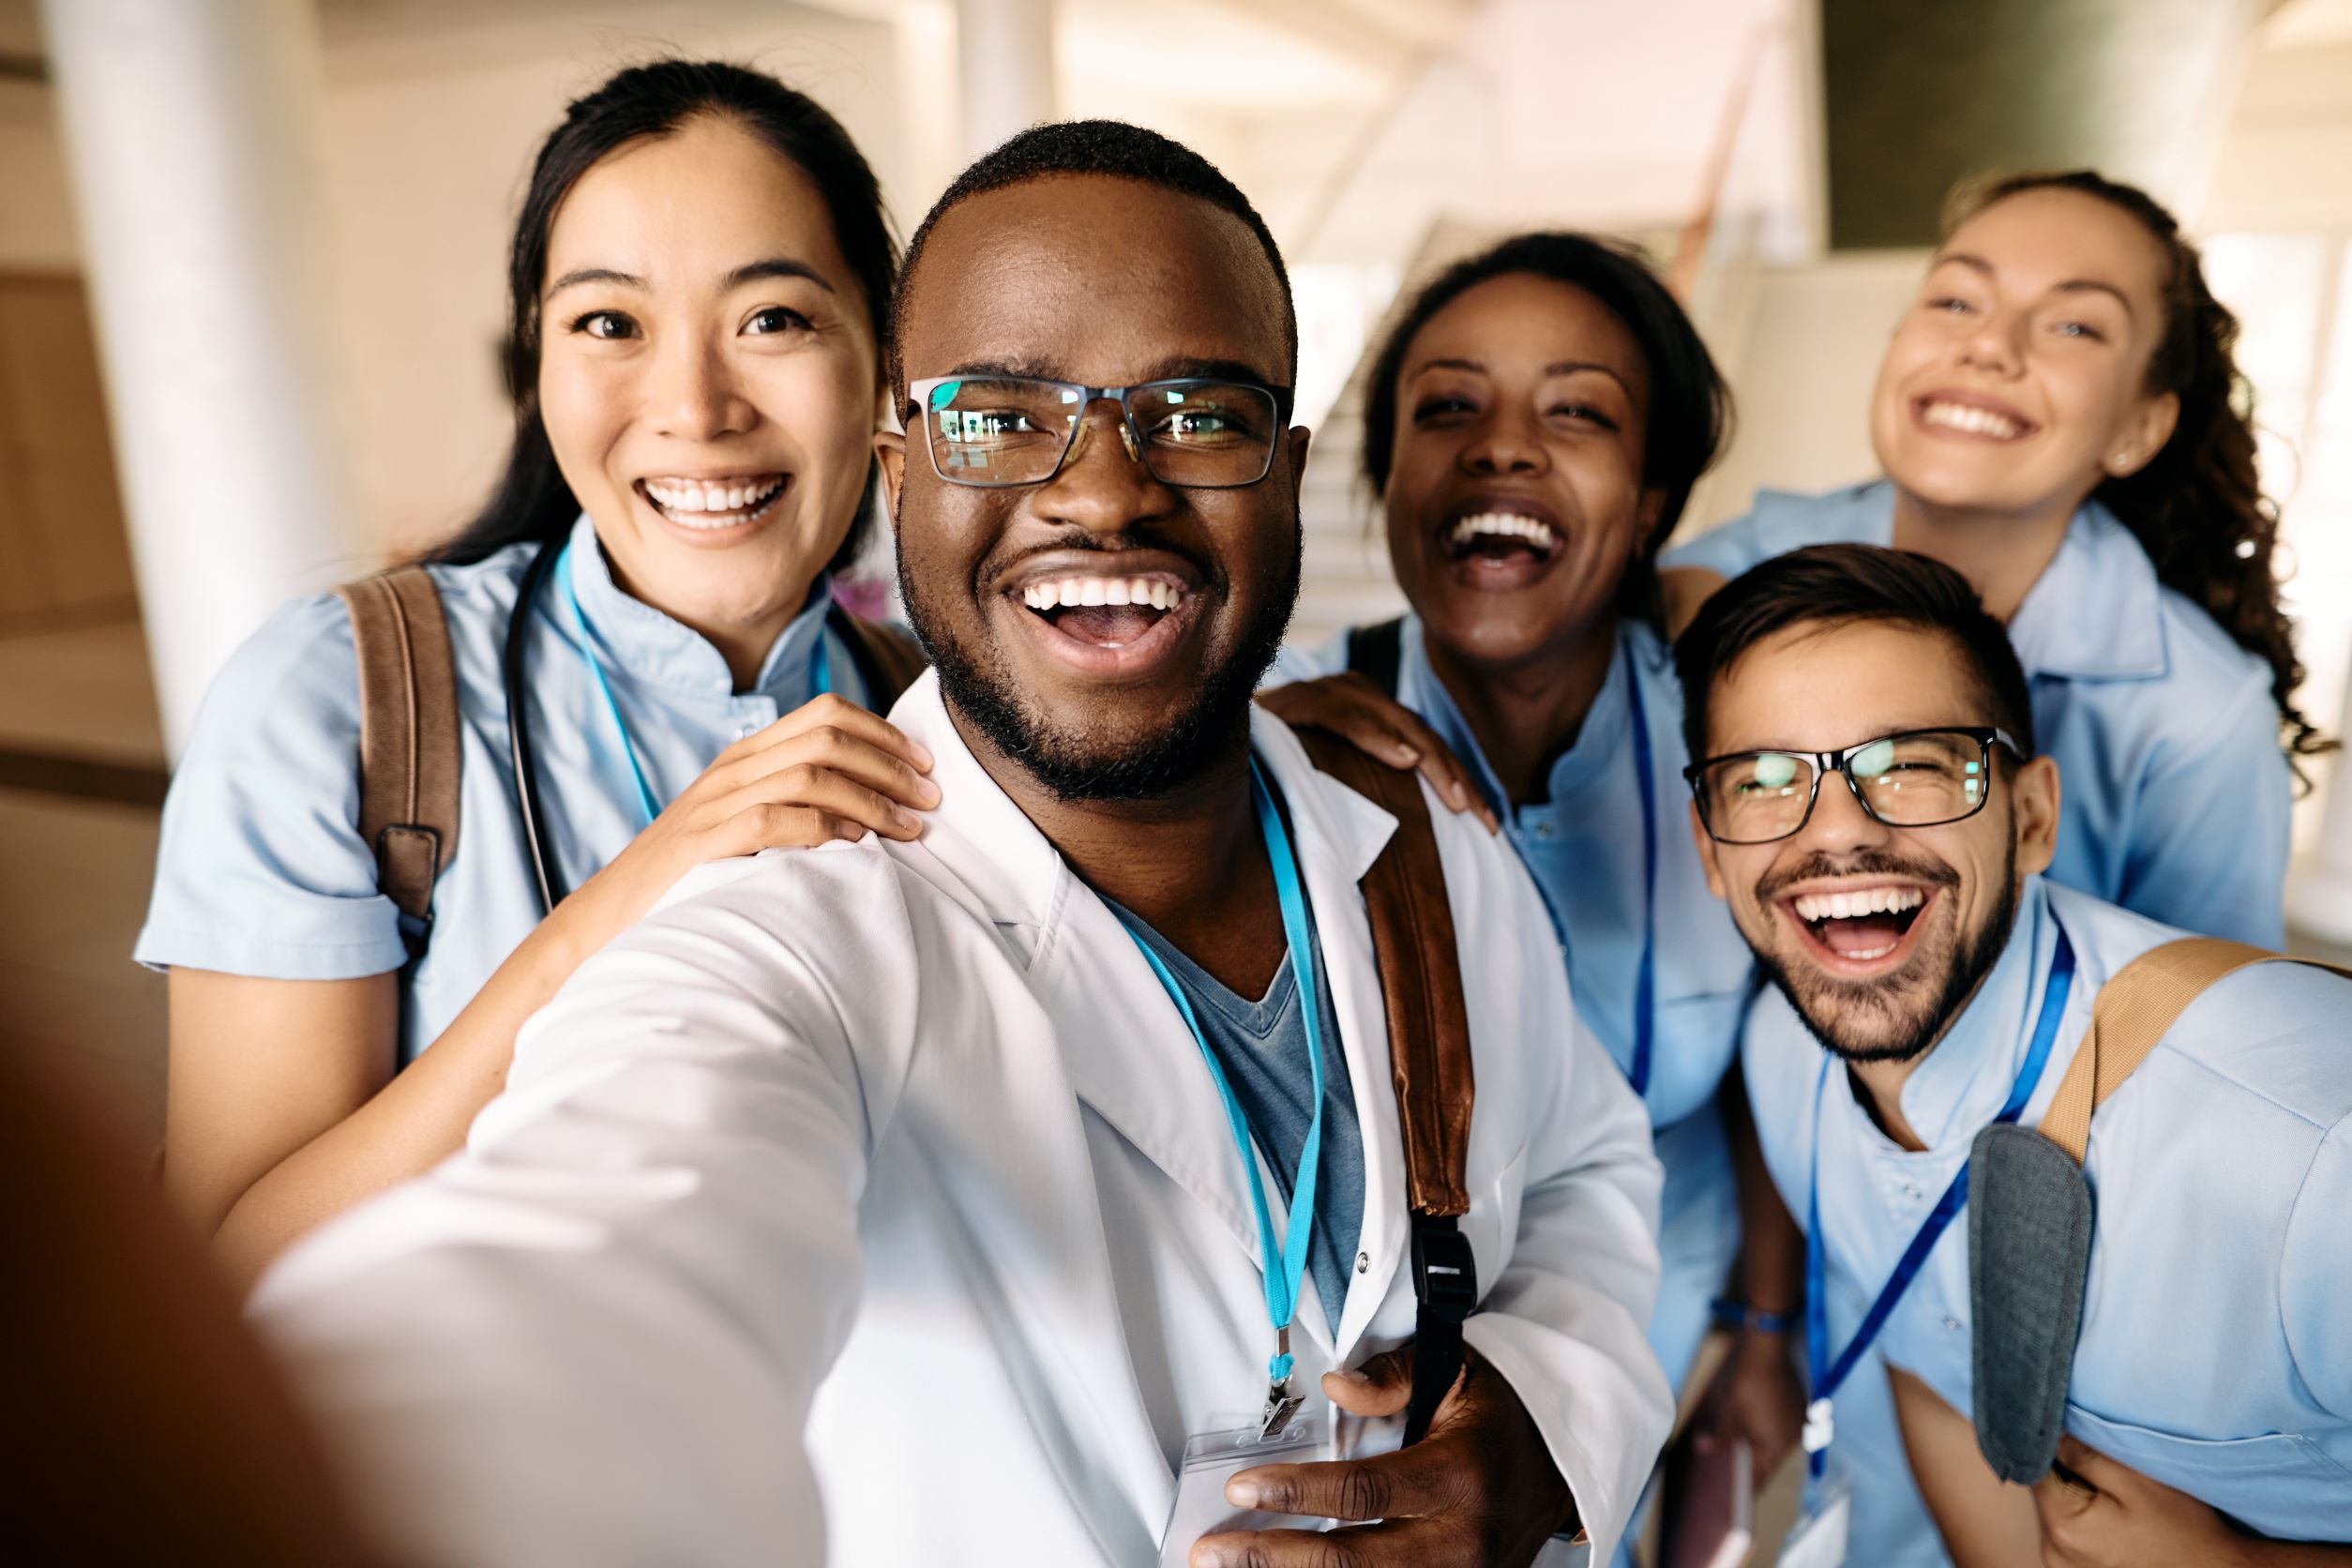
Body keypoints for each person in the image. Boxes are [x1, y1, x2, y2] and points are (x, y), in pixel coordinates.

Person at [245, 123, 1674, 1568]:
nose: (1107, 489)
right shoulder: (789, 937)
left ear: (1287, 470)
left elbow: (1587, 1172)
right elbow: (596, 1267)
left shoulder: (1414, 831)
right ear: (900, 469)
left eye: (1197, 414)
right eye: (999, 415)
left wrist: (1552, 1425)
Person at [137, 61, 939, 1289]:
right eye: (609, 323)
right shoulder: (341, 701)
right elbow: (228, 1269)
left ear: (879, 361)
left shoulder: (933, 713)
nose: (693, 405)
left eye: (772, 318)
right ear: (538, 366)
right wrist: (616, 911)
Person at [1677, 544, 2352, 1567]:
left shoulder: (2304, 1151)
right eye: (1765, 780)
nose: (1839, 834)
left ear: (2031, 816)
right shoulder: (1786, 1058)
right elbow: (1939, 1376)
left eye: (1907, 764)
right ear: (1710, 851)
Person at [1258, 234, 1799, 1475]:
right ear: (1389, 480)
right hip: (1383, 1358)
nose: (1501, 444)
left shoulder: (1732, 727)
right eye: (1449, 407)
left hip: (1666, 1311)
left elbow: (1781, 1054)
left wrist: (1764, 1335)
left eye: (1577, 411)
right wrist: (1238, 742)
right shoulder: (1280, 727)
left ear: (1653, 501)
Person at [1663, 169, 2325, 950]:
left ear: (2138, 428)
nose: (1987, 345)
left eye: (2074, 327)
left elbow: (2207, 1019)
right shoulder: (1774, 546)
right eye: (1955, 301)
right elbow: (1652, 597)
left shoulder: (2199, 718)